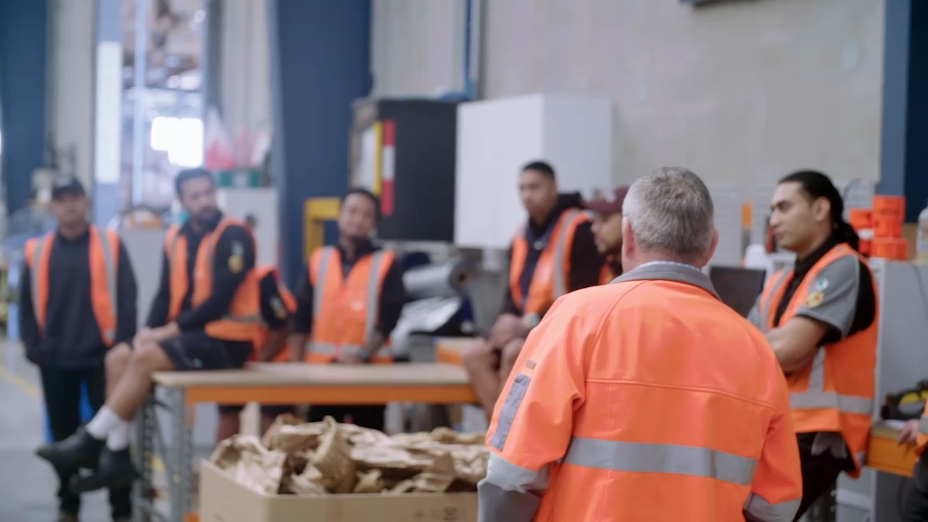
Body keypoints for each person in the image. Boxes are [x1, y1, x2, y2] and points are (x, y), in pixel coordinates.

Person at [478, 167, 803, 522]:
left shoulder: (576, 319)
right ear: (711, 245)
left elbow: (513, 469)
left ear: (627, 236)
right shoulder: (756, 350)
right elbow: (776, 504)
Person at [35, 168, 259, 493]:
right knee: (122, 357)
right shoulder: (175, 237)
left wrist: (168, 331)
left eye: (209, 193)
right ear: (182, 201)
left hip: (228, 342)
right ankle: (117, 456)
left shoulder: (234, 235)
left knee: (147, 357)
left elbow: (220, 297)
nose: (205, 201)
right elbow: (165, 294)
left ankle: (92, 440)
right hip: (192, 339)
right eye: (196, 196)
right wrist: (147, 331)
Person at [747, 170, 878, 520]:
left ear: (820, 209)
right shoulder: (781, 279)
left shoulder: (843, 267)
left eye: (784, 207)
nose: (774, 220)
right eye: (772, 210)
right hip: (779, 426)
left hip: (818, 433)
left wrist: (770, 345)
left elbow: (789, 352)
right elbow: (742, 345)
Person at [21, 175, 137, 522]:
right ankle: (68, 506)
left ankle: (122, 510)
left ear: (86, 202)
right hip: (56, 358)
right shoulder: (36, 251)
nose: (69, 205)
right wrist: (33, 347)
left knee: (115, 435)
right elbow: (25, 304)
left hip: (103, 358)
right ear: (53, 206)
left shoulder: (110, 245)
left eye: (75, 197)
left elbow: (128, 298)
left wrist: (122, 346)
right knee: (64, 440)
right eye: (61, 199)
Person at [461, 161, 603, 419]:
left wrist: (527, 323)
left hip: (562, 328)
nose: (527, 194)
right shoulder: (521, 234)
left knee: (515, 352)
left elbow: (583, 296)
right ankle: (498, 435)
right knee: (474, 356)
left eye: (534, 187)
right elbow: (513, 292)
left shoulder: (580, 228)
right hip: (525, 328)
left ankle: (511, 441)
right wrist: (505, 318)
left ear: (553, 188)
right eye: (522, 188)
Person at [287, 188, 406, 431]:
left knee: (369, 448)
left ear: (374, 223)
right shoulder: (318, 259)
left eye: (366, 215)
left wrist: (361, 356)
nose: (358, 219)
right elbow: (300, 319)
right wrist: (296, 373)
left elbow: (389, 319)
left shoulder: (386, 263)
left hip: (369, 374)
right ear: (340, 216)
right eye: (352, 211)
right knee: (320, 445)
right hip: (322, 374)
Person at [214, 264, 296, 440]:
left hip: (274, 361)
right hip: (240, 362)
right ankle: (225, 463)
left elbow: (281, 326)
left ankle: (271, 464)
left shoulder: (262, 280)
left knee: (272, 418)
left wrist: (260, 359)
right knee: (228, 412)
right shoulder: (214, 283)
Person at [583, 186, 629, 281]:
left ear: (628, 222)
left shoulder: (646, 274)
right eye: (595, 219)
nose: (594, 228)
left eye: (604, 220)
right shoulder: (606, 267)